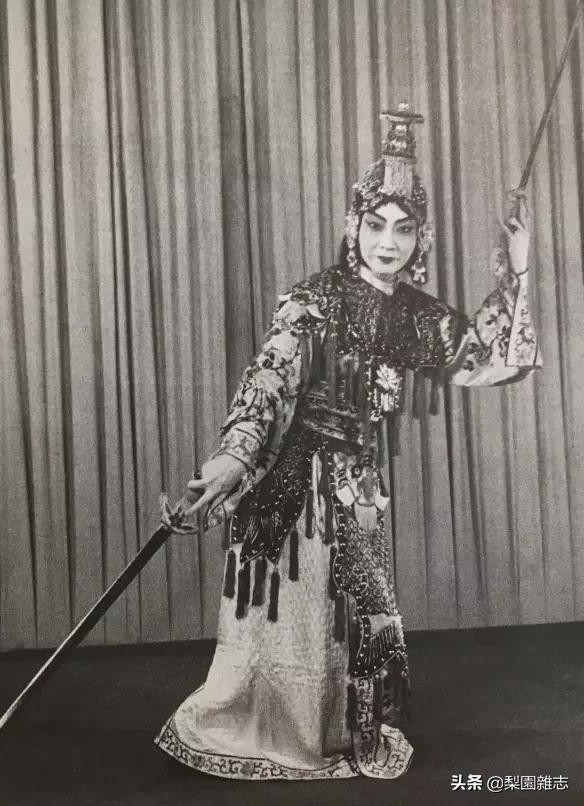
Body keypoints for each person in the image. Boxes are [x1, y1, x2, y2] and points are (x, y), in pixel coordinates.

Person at [155, 103, 541, 780]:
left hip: (360, 489)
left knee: (358, 615)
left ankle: (339, 729)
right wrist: (231, 458)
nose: (388, 242)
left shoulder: (419, 317)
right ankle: (283, 732)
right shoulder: (314, 300)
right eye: (376, 224)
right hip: (293, 484)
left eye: (404, 228)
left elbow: (488, 356)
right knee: (298, 616)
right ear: (352, 226)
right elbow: (268, 381)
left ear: (421, 239)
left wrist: (519, 268)